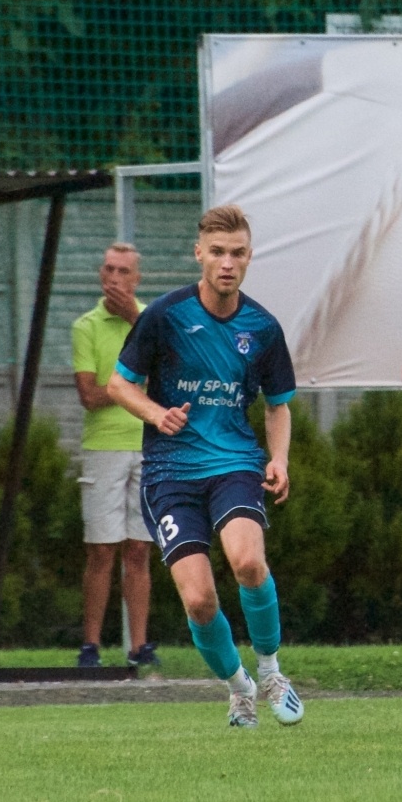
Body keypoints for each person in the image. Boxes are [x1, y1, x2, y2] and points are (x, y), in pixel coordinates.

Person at [108, 205, 303, 728]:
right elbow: (118, 383)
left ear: (248, 257)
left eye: (237, 253)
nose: (227, 263)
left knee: (247, 562)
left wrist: (278, 458)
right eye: (217, 252)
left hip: (235, 462)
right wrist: (155, 412)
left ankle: (270, 671)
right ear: (199, 253)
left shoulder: (262, 327)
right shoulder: (165, 317)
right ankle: (238, 689)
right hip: (169, 473)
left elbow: (279, 403)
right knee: (197, 599)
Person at [71, 243, 157, 669]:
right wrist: (130, 390)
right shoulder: (86, 326)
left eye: (124, 271)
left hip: (147, 444)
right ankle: (90, 645)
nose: (115, 278)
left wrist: (135, 323)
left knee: (140, 549)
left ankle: (140, 646)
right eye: (108, 269)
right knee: (101, 550)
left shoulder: (151, 322)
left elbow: (170, 370)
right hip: (103, 448)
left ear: (136, 279)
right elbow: (88, 395)